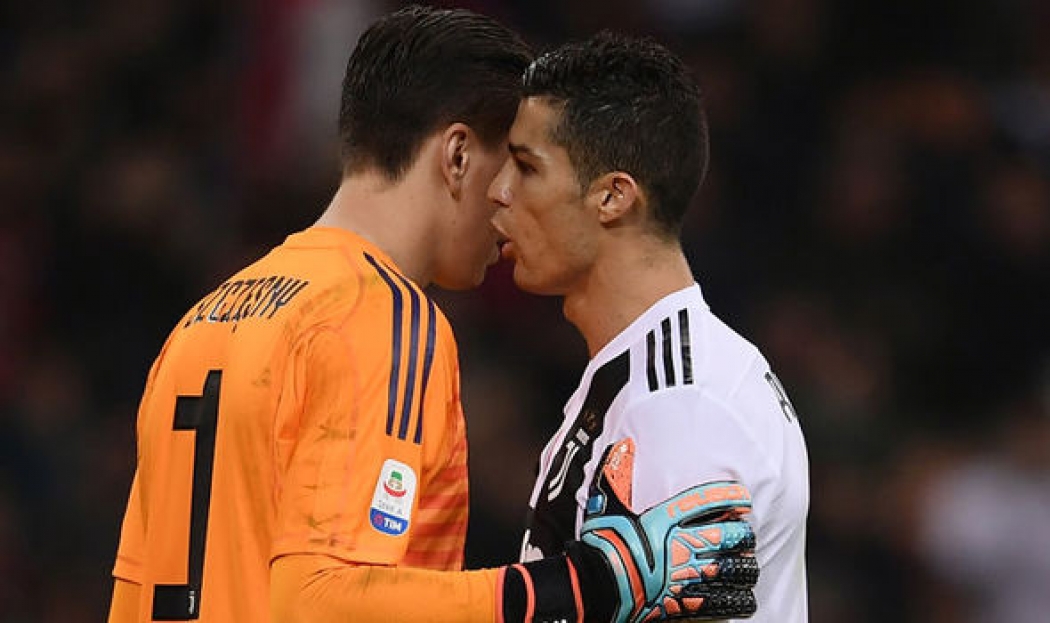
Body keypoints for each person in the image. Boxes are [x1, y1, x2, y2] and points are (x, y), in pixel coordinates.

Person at [107, 6, 759, 623]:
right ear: (457, 156)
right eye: (513, 166)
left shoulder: (204, 321)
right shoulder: (384, 317)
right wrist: (588, 582)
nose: (510, 200)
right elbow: (320, 601)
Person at [488, 32, 810, 622]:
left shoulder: (679, 405)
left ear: (613, 197)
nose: (498, 191)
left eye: (527, 167)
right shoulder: (647, 372)